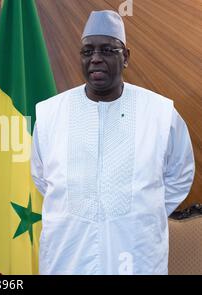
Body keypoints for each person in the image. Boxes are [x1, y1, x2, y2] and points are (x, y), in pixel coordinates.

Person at [31, 10, 195, 275]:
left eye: (107, 50)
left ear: (125, 56)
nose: (96, 59)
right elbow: (42, 177)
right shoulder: (51, 114)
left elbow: (181, 174)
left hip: (136, 255)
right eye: (88, 51)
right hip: (68, 256)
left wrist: (142, 210)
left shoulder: (160, 113)